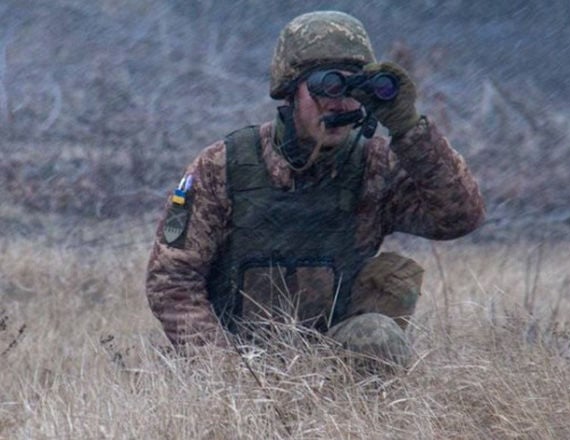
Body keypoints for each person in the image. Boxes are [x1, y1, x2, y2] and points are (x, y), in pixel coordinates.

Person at [145, 11, 485, 368]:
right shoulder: (223, 165)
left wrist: (408, 129)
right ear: (291, 91)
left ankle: (361, 424)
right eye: (327, 86)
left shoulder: (375, 166)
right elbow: (172, 281)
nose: (340, 103)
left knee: (378, 337)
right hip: (235, 357)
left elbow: (459, 217)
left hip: (333, 360)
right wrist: (227, 372)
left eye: (354, 89)